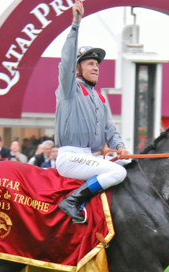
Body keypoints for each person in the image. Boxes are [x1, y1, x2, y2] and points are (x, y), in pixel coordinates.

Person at [53, 1, 132, 224]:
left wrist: (121, 147)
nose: (96, 67)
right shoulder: (69, 89)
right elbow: (66, 60)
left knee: (129, 166)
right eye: (89, 63)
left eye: (97, 64)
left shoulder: (100, 97)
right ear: (77, 69)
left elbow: (110, 131)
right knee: (118, 174)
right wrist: (75, 24)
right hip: (70, 157)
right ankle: (71, 201)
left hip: (89, 156)